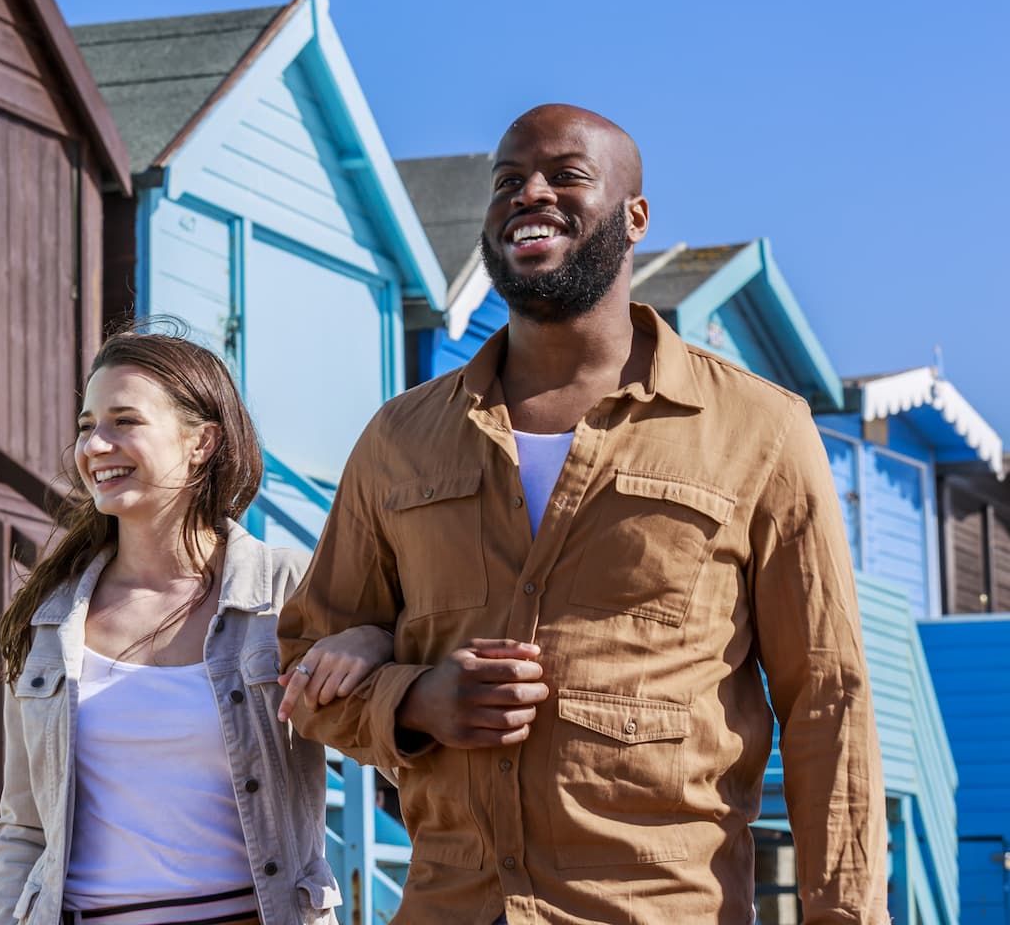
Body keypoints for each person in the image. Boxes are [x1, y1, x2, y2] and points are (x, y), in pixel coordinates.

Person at [277, 104, 887, 924]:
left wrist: (843, 913)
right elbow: (306, 668)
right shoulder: (400, 440)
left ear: (635, 218)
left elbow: (828, 696)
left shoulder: (761, 431)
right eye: (507, 182)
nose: (529, 194)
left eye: (566, 175)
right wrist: (417, 702)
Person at [0, 328, 394, 925]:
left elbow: (395, 753)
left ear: (203, 442)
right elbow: (22, 826)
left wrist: (375, 640)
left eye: (124, 421)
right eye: (85, 425)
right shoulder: (46, 617)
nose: (95, 445)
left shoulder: (289, 590)